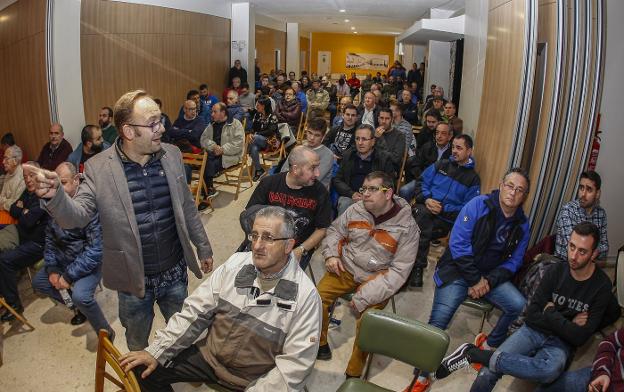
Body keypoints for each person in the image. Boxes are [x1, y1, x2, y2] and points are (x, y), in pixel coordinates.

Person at [28, 90, 213, 350]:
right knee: (137, 342)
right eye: (152, 123)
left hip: (174, 271)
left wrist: (202, 246)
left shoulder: (172, 155)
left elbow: (187, 208)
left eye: (160, 120)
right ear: (127, 131)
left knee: (182, 335)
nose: (161, 128)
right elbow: (76, 216)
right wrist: (55, 195)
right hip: (132, 280)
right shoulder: (98, 168)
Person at [119, 206, 321, 391]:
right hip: (210, 358)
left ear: (288, 246)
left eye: (268, 237)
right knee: (143, 371)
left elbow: (294, 367)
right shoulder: (236, 264)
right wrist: (156, 351)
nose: (257, 246)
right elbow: (195, 311)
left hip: (253, 379)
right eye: (254, 235)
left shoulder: (305, 297)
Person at [435, 222, 613, 392]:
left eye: (582, 251)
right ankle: (476, 356)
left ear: (594, 254)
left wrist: (551, 311)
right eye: (571, 246)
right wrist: (568, 323)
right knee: (487, 372)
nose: (573, 256)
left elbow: (580, 337)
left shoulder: (601, 285)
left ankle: (477, 355)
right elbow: (532, 315)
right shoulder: (556, 271)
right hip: (534, 330)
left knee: (549, 370)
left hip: (560, 342)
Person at [404, 168, 531, 392]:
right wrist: (475, 280)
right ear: (501, 186)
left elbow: (515, 262)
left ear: (524, 197)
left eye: (519, 190)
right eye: (510, 186)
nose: (513, 192)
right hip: (458, 271)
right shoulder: (478, 205)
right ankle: (422, 375)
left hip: (489, 277)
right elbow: (458, 245)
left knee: (518, 305)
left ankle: (487, 345)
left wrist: (488, 282)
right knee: (439, 322)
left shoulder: (522, 224)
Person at [317, 171, 419, 377]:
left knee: (367, 322)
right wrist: (330, 256)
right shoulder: (356, 210)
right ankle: (319, 343)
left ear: (388, 193)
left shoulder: (408, 227)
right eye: (364, 188)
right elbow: (335, 231)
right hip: (346, 267)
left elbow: (399, 272)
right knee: (317, 298)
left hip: (378, 277)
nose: (365, 194)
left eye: (373, 189)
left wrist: (363, 297)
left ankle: (354, 373)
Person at [32, 162, 113, 335]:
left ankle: (105, 332)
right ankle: (76, 307)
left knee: (81, 296)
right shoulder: (55, 202)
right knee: (39, 282)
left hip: (88, 262)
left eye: (63, 183)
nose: (58, 188)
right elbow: (50, 239)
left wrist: (68, 276)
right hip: (64, 258)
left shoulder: (89, 205)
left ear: (76, 180)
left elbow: (95, 252)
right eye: (56, 184)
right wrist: (53, 269)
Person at [407, 135, 481, 288]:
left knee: (416, 227)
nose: (454, 151)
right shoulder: (441, 165)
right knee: (421, 218)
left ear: (469, 151)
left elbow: (468, 209)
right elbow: (421, 182)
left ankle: (413, 267)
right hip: (425, 207)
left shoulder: (473, 179)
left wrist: (443, 208)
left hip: (445, 219)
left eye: (459, 148)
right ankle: (416, 267)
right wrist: (427, 199)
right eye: (453, 147)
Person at [246, 146, 332, 270]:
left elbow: (322, 229)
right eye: (313, 168)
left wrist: (301, 250)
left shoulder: (320, 192)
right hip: (264, 243)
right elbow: (249, 216)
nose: (318, 173)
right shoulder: (268, 184)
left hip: (297, 248)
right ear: (296, 169)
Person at [0, 162, 49, 322]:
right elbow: (14, 210)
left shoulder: (44, 194)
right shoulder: (27, 193)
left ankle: (14, 305)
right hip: (21, 235)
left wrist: (21, 210)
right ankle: (4, 291)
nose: (27, 179)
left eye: (31, 175)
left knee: (5, 260)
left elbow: (27, 220)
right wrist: (23, 211)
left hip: (38, 244)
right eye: (25, 176)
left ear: (39, 175)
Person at [535, 327, 624, 392]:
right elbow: (610, 341)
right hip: (601, 373)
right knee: (547, 385)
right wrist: (602, 371)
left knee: (549, 370)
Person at [333, 124, 395, 216]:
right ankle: (343, 229)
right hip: (351, 197)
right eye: (357, 139)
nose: (360, 143)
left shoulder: (384, 159)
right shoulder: (348, 155)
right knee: (345, 203)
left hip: (374, 197)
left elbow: (390, 184)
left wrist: (370, 196)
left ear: (373, 141)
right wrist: (351, 193)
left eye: (364, 139)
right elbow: (337, 179)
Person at [555, 170, 608, 260]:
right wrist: (594, 250)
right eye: (581, 188)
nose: (583, 194)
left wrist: (596, 251)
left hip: (587, 266)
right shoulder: (568, 210)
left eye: (589, 189)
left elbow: (605, 247)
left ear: (597, 194)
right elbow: (573, 249)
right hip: (563, 265)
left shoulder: (601, 213)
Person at [200, 102, 245, 199]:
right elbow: (203, 139)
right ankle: (207, 188)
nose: (212, 114)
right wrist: (213, 146)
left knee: (205, 163)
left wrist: (222, 150)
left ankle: (207, 189)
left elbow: (238, 144)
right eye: (212, 112)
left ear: (223, 112)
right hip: (213, 154)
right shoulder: (212, 124)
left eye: (214, 112)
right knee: (205, 159)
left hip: (229, 156)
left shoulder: (235, 124)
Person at [401, 121, 453, 202]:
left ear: (450, 136)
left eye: (443, 133)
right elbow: (416, 164)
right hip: (424, 180)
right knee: (404, 191)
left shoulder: (453, 153)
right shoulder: (427, 147)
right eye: (437, 133)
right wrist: (422, 177)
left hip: (442, 185)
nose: (439, 136)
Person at [281, 117, 335, 189]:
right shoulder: (299, 148)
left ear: (323, 136)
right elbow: (283, 170)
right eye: (310, 133)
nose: (312, 138)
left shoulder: (328, 155)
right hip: (292, 187)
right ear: (306, 131)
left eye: (317, 135)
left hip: (314, 192)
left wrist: (292, 176)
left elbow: (313, 179)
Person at [248, 96, 279, 181]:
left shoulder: (273, 116)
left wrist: (255, 134)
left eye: (258, 104)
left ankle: (249, 150)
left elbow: (271, 131)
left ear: (264, 106)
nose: (256, 106)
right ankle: (259, 170)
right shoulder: (257, 115)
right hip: (258, 141)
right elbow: (253, 128)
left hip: (270, 142)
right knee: (254, 147)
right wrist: (251, 133)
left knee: (255, 137)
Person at [0, 146, 25, 220]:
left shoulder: (23, 177)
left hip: (13, 217)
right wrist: (5, 202)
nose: (3, 162)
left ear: (15, 161)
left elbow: (14, 205)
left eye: (6, 159)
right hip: (3, 212)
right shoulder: (8, 174)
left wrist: (3, 203)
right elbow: (1, 197)